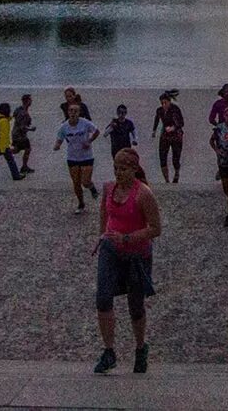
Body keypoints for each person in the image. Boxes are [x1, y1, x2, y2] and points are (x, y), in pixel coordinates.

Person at [92, 146, 162, 375]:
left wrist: (128, 237)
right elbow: (105, 212)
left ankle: (141, 347)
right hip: (111, 250)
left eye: (123, 169)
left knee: (135, 305)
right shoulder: (108, 189)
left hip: (136, 254)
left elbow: (155, 228)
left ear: (134, 169)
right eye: (115, 168)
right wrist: (103, 235)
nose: (118, 173)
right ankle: (109, 350)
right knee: (103, 298)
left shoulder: (144, 194)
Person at [54, 102, 99, 213]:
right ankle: (81, 203)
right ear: (68, 112)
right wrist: (57, 145)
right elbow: (60, 137)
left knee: (85, 181)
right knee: (76, 183)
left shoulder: (85, 123)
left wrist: (89, 141)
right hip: (72, 157)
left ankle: (91, 187)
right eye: (71, 111)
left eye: (75, 111)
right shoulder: (64, 126)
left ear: (79, 113)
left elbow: (96, 131)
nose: (73, 113)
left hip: (86, 156)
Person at [152, 90, 184, 184]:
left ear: (169, 101)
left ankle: (177, 173)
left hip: (176, 136)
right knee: (162, 157)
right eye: (162, 103)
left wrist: (173, 127)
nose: (163, 105)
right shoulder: (159, 110)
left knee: (175, 158)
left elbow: (181, 123)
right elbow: (156, 119)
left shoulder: (175, 109)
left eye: (165, 102)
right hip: (165, 135)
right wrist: (154, 130)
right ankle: (166, 180)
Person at [12, 94, 35, 177]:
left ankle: (5, 152)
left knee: (17, 149)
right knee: (28, 149)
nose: (31, 101)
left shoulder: (19, 109)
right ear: (27, 101)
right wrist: (31, 129)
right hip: (20, 136)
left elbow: (14, 117)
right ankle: (24, 167)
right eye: (30, 100)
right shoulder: (23, 113)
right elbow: (22, 127)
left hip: (15, 134)